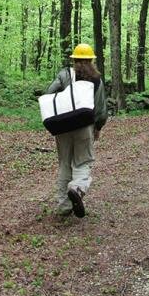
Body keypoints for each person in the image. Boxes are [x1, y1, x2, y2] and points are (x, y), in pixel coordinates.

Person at [46, 43, 108, 218]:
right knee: (83, 161)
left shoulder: (65, 75)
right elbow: (101, 108)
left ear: (74, 60)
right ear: (91, 60)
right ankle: (77, 188)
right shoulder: (96, 80)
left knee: (64, 163)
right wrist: (98, 127)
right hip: (84, 126)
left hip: (63, 126)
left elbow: (49, 92)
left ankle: (64, 206)